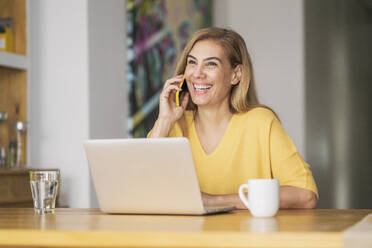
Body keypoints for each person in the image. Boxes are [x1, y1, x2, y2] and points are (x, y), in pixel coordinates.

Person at [148, 27, 318, 209]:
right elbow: (141, 190)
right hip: (186, 237)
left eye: (211, 64)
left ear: (235, 75)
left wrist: (214, 201)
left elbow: (305, 194)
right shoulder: (173, 126)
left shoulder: (261, 122)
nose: (197, 73)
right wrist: (164, 120)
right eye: (192, 62)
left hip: (249, 237)